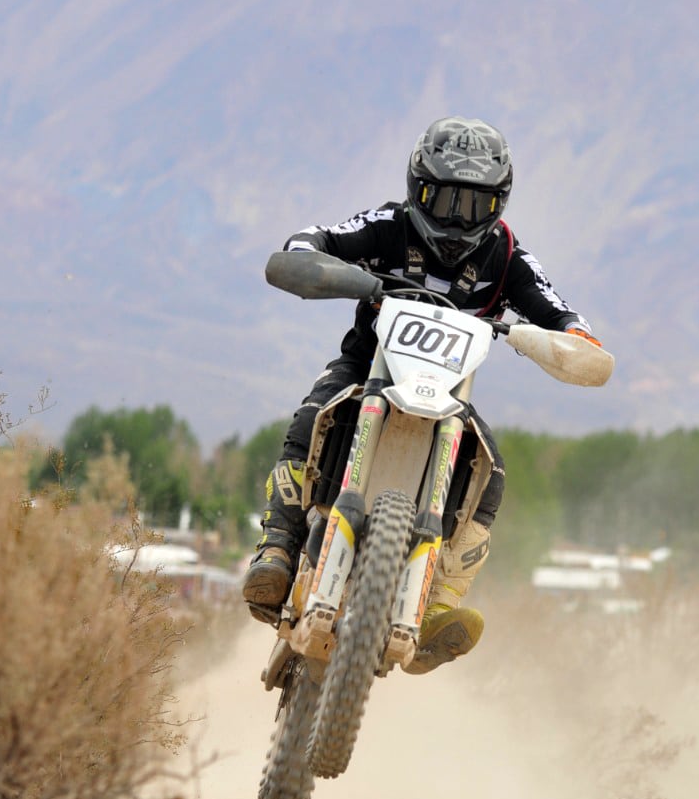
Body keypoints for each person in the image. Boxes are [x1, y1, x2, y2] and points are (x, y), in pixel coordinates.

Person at [244, 116, 600, 672]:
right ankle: (278, 547)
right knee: (312, 414)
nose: (458, 218)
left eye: (475, 205)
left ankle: (438, 602)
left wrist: (572, 341)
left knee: (492, 472)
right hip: (368, 369)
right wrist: (313, 259)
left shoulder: (508, 258)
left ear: (498, 204)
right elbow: (314, 241)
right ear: (418, 188)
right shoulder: (388, 225)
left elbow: (564, 316)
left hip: (449, 397)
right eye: (445, 200)